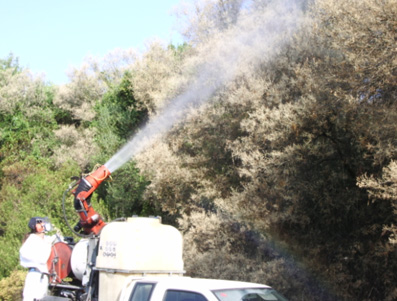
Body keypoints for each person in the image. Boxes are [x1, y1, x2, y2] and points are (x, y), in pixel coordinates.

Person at [19, 217, 53, 301]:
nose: (44, 225)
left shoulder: (45, 239)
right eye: (41, 223)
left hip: (44, 276)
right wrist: (49, 245)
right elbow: (42, 258)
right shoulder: (32, 241)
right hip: (35, 275)